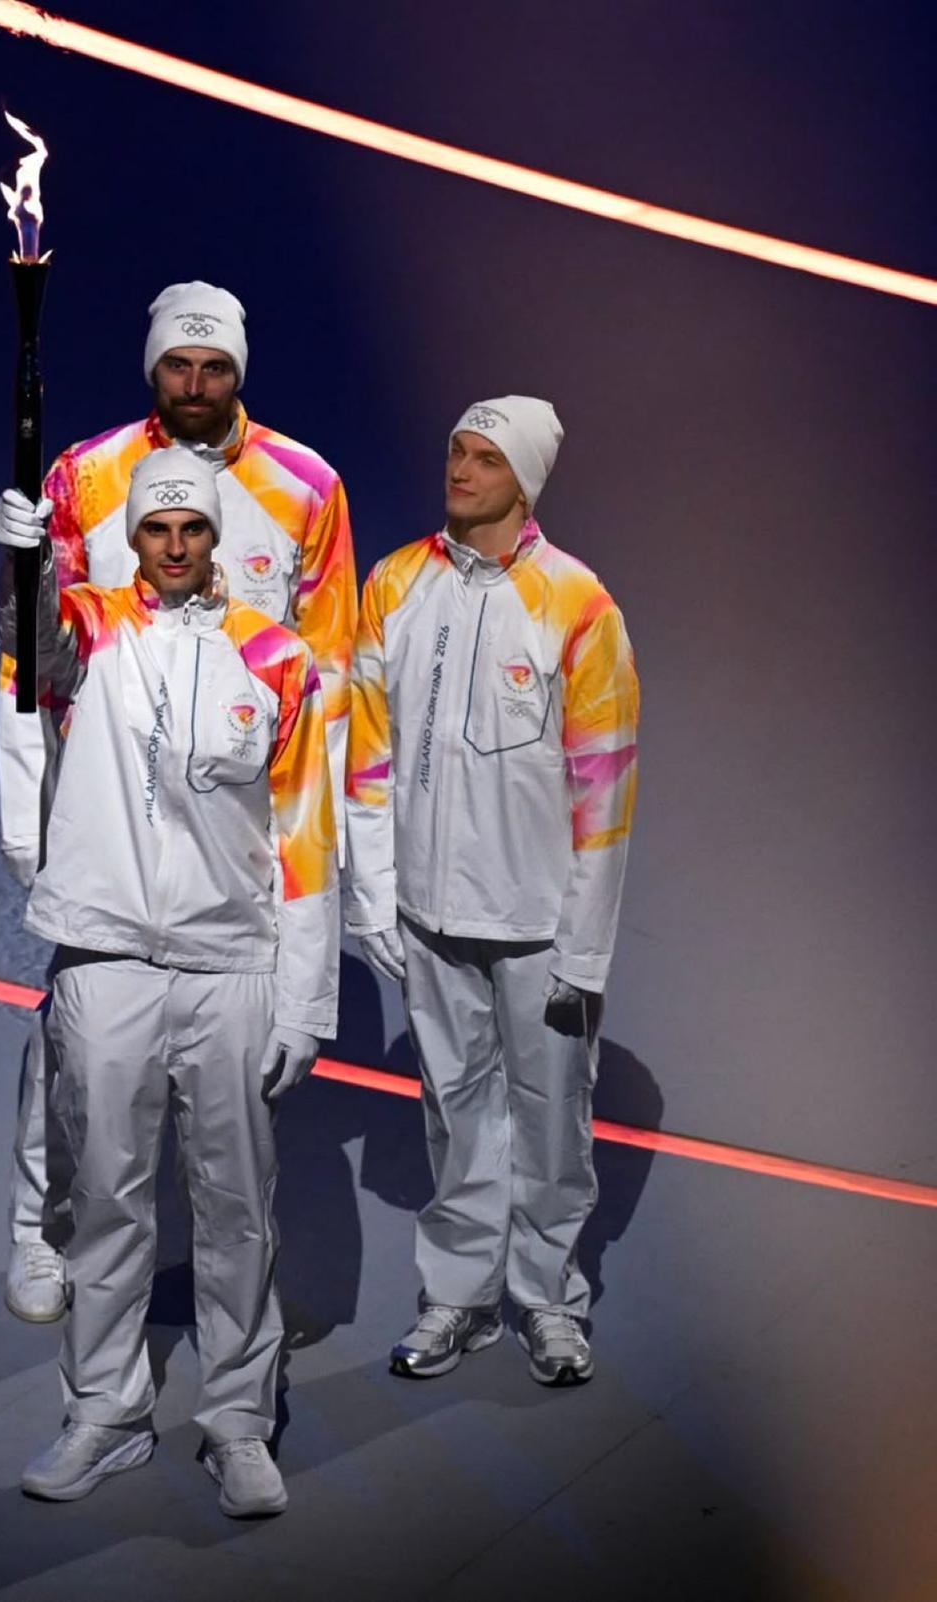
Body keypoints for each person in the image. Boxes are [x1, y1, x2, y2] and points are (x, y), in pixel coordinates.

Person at [0, 281, 357, 1323]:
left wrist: (328, 847)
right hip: (103, 793)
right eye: (174, 367)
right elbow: (30, 656)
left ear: (240, 369)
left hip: (231, 800)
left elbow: (322, 678)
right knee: (69, 1036)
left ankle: (208, 1286)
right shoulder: (83, 475)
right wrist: (29, 810)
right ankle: (38, 1227)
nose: (194, 387)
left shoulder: (305, 486)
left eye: (214, 368)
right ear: (150, 367)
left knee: (211, 1068)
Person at [0, 447, 339, 1515]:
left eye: (192, 530)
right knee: (106, 1202)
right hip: (105, 961)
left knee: (237, 1211)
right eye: (156, 530)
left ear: (216, 538)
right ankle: (105, 1411)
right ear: (134, 536)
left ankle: (237, 1422)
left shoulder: (275, 657)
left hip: (230, 966)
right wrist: (21, 566)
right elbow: (33, 644)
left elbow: (302, 840)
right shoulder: (93, 628)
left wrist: (305, 995)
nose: (176, 548)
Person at [344, 396, 639, 1387]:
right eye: (453, 452)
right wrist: (375, 893)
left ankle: (548, 1301)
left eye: (482, 458)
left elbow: (604, 787)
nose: (458, 470)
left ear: (525, 480)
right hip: (428, 916)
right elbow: (367, 751)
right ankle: (458, 1298)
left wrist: (584, 942)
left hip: (536, 925)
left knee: (551, 1117)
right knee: (452, 1111)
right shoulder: (393, 583)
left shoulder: (578, 606)